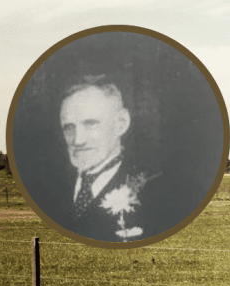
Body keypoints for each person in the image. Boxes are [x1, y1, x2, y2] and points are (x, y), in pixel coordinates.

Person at [56, 75, 160, 242]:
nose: (78, 140)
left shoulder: (154, 189)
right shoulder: (51, 187)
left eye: (90, 124)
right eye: (69, 128)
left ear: (121, 123)